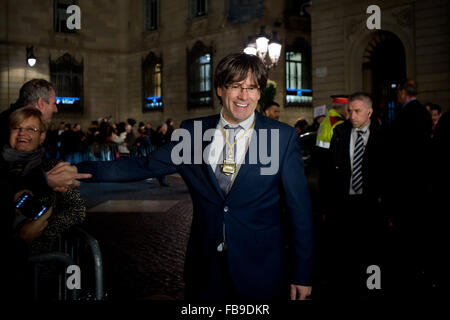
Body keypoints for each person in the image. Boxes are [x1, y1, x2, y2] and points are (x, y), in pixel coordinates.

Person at [76, 53, 314, 300]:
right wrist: (80, 172)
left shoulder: (282, 137)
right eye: (235, 86)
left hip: (262, 270)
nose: (244, 96)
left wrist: (302, 272)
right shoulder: (193, 133)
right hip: (205, 270)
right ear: (220, 89)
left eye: (251, 88)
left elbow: (300, 211)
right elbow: (143, 165)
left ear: (259, 92)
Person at [1, 106, 86, 298]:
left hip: (42, 266)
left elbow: (77, 209)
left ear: (42, 137)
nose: (23, 133)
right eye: (17, 128)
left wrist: (42, 230)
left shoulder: (52, 168)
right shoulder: (2, 167)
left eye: (32, 129)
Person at [327, 92, 387, 299]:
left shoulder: (384, 135)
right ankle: (347, 289)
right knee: (346, 251)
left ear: (369, 112)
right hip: (345, 203)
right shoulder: (340, 132)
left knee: (372, 252)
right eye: (350, 111)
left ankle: (373, 288)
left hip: (371, 205)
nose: (352, 116)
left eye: (357, 111)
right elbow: (330, 171)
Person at [385, 79, 432, 296]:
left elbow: (396, 150)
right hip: (421, 179)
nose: (397, 96)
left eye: (398, 92)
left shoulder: (404, 115)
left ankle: (407, 271)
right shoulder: (423, 112)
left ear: (403, 93)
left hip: (405, 180)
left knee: (405, 229)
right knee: (419, 226)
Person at [0, 79, 91, 190]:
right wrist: (45, 181)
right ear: (41, 103)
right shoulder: (6, 128)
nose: (56, 109)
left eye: (32, 130)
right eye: (53, 104)